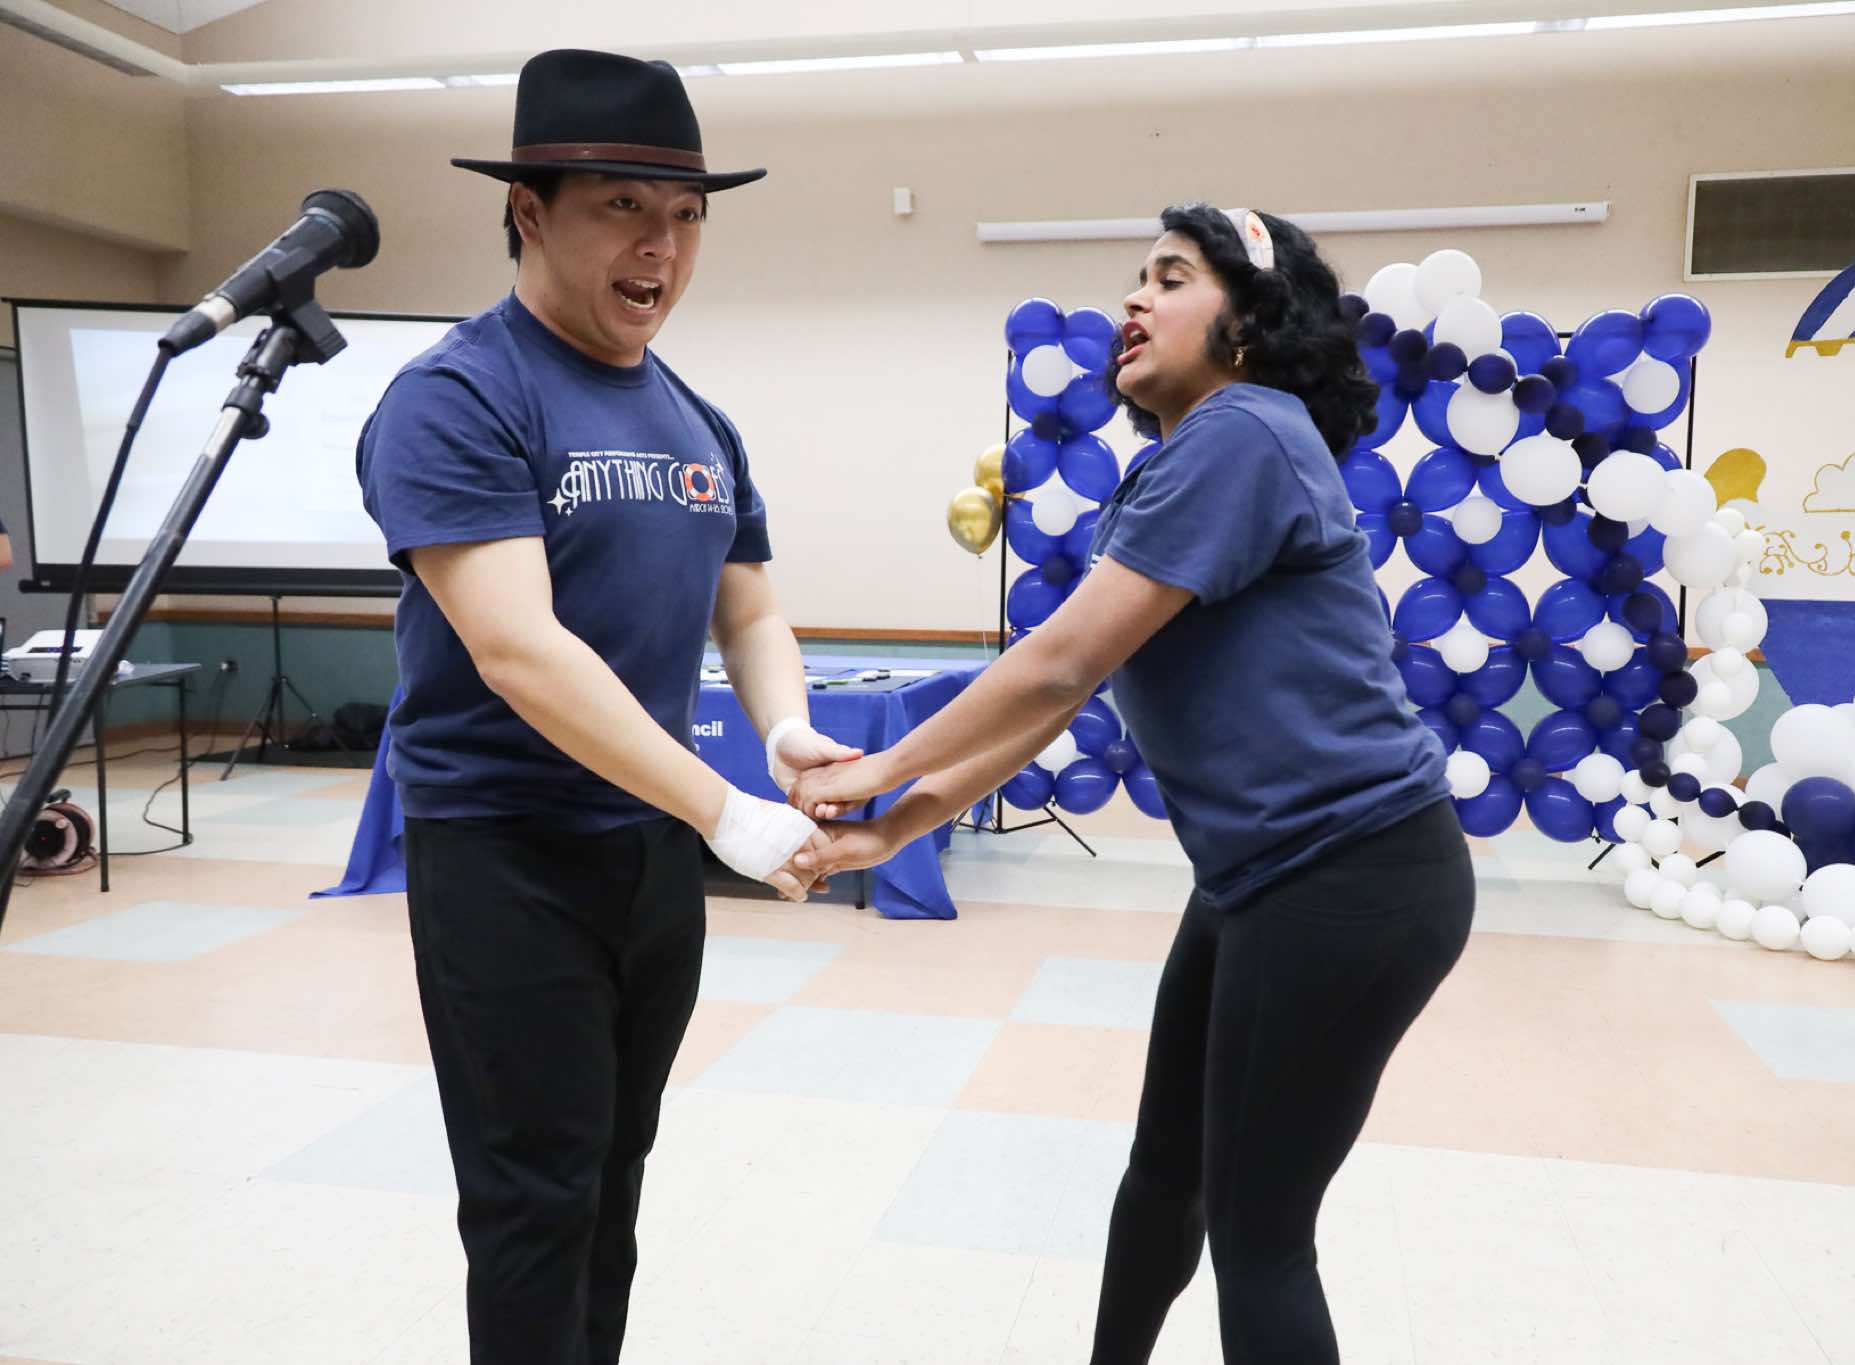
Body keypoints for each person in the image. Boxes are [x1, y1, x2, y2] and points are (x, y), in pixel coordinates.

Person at [790, 204, 1476, 1365]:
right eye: (1137, 278)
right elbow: (1062, 696)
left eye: (1169, 277)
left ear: (1249, 323)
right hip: (1262, 879)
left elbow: (1054, 661)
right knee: (1165, 1175)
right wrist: (895, 824)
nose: (1132, 300)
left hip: (1348, 872)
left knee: (1260, 1236)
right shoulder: (1186, 461)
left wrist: (875, 768)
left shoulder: (1243, 430)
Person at [356, 48, 849, 1365]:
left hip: (648, 856)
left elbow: (749, 607)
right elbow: (517, 649)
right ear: (529, 209)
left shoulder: (697, 420)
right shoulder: (460, 395)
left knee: (613, 1182)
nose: (662, 246)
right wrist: (723, 808)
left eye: (685, 214)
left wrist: (784, 728)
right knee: (536, 1197)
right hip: (507, 853)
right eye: (623, 206)